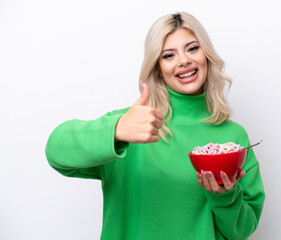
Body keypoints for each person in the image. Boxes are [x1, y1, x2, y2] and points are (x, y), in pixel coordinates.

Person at [45, 12, 265, 240]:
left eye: (192, 48)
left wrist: (225, 197)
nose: (183, 61)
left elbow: (241, 231)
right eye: (168, 55)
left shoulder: (233, 136)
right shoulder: (132, 126)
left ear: (206, 55)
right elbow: (55, 152)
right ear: (157, 67)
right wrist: (117, 131)